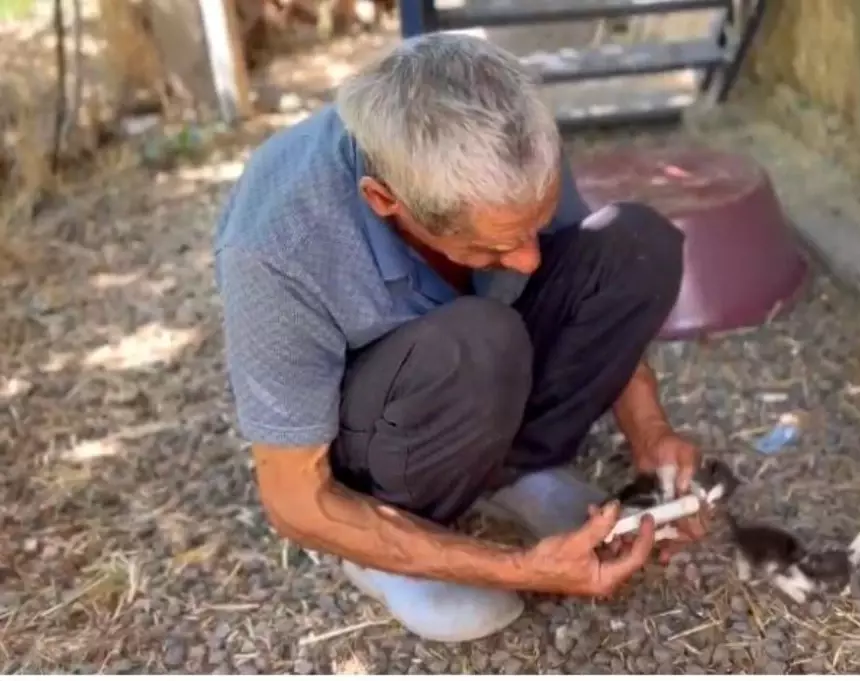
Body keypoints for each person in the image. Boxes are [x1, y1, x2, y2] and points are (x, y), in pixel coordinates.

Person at [213, 32, 708, 643]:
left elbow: (580, 275)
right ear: (384, 200)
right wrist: (519, 569)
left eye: (534, 225)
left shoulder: (505, 136)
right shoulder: (276, 245)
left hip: (474, 361)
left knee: (635, 245)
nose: (527, 261)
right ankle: (389, 549)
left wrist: (650, 431)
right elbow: (295, 498)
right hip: (382, 433)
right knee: (478, 339)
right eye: (494, 246)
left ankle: (515, 470)